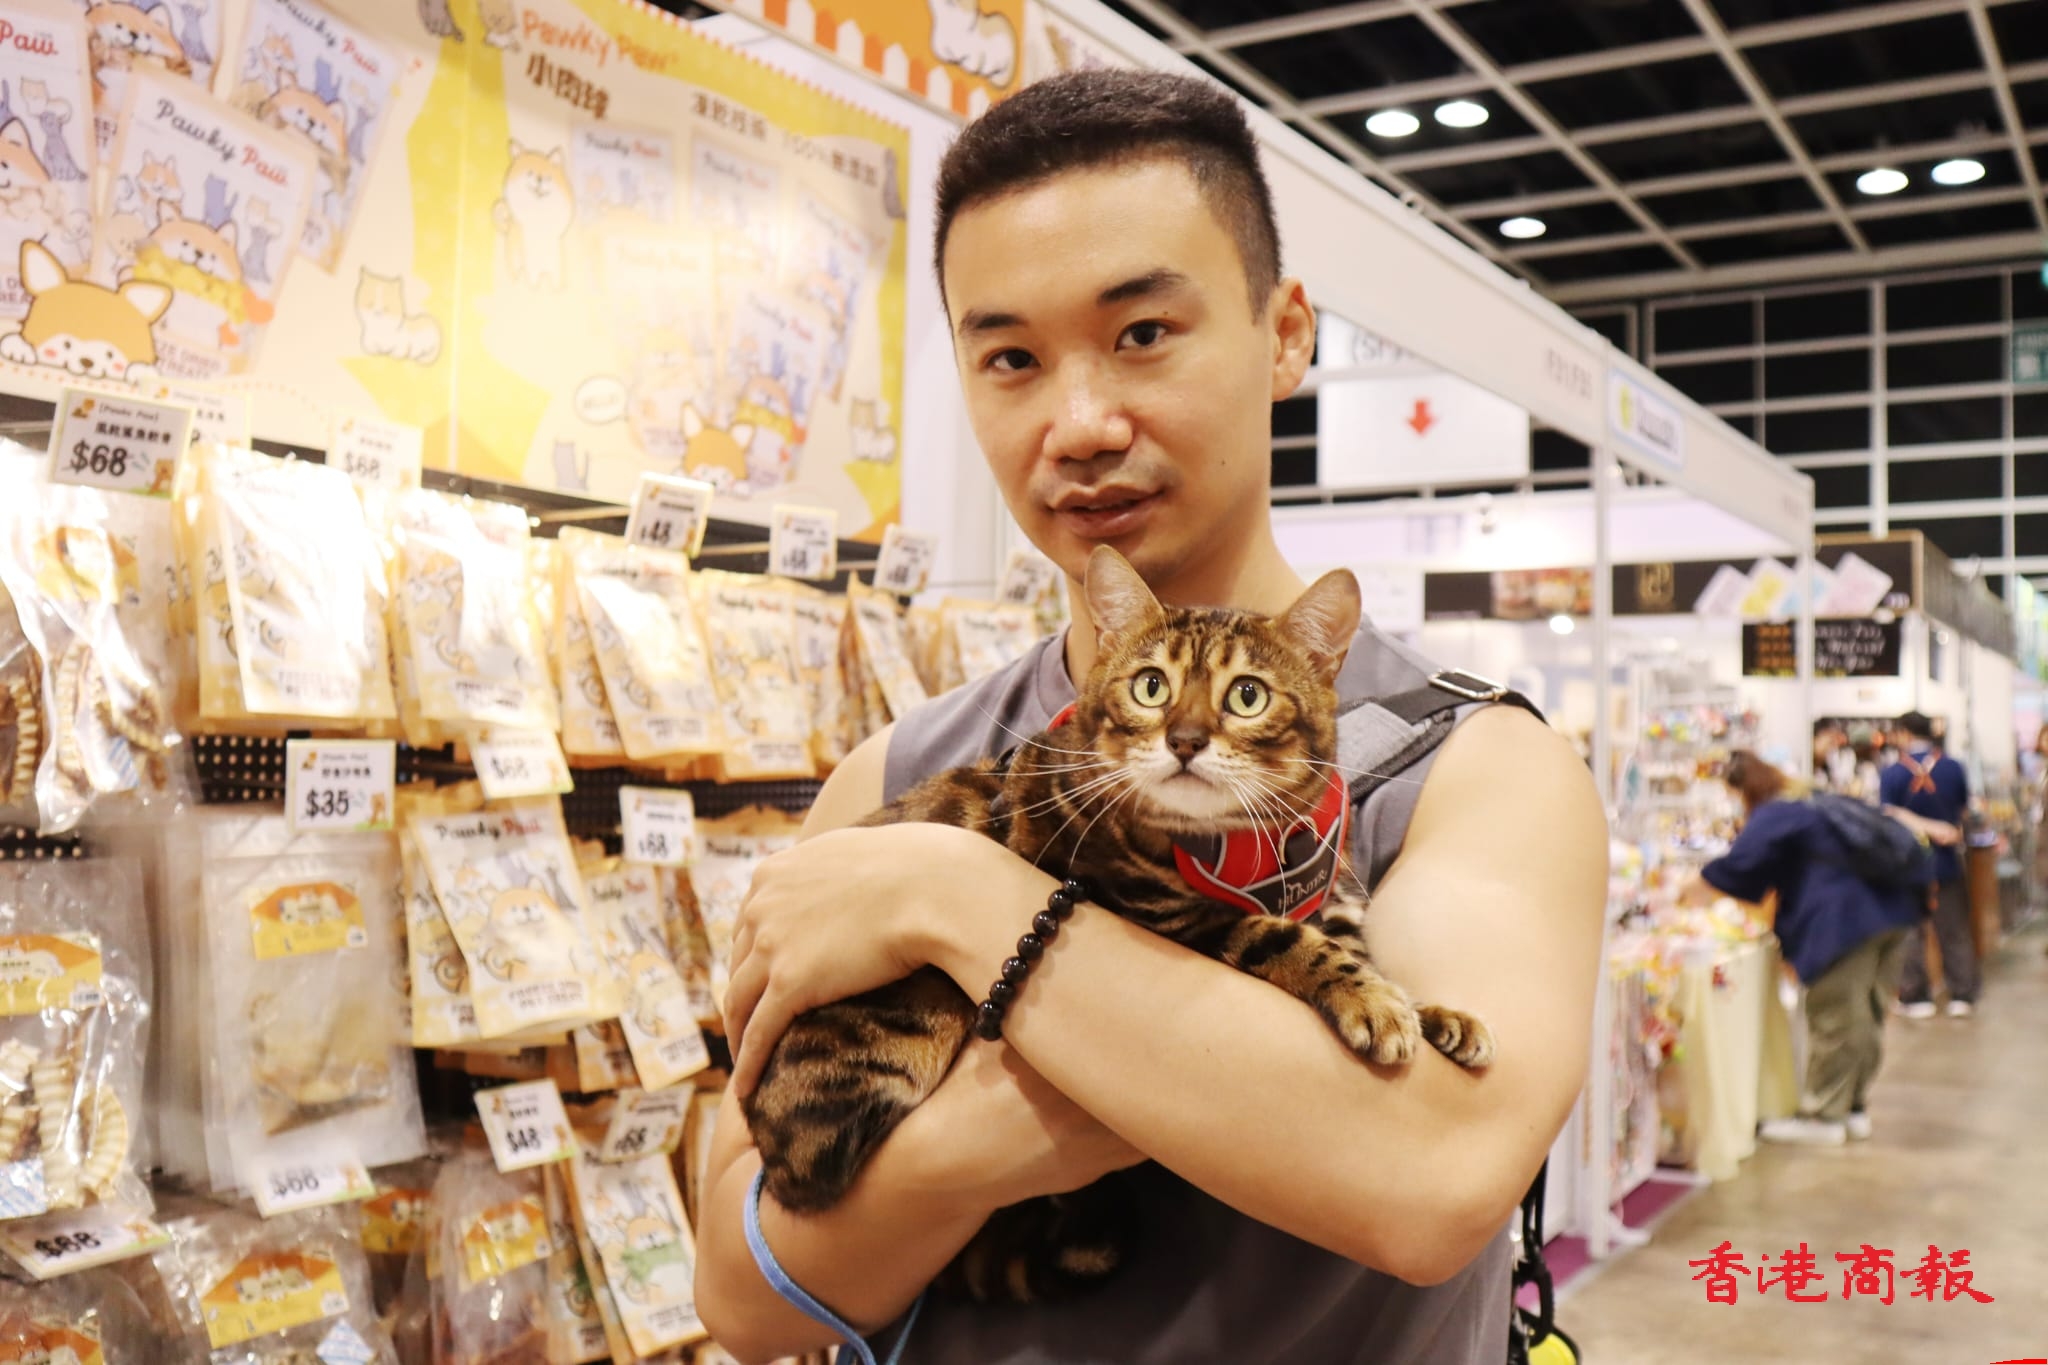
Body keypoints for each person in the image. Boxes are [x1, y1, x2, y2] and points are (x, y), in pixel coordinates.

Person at [692, 70, 1608, 1365]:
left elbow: (1432, 1178)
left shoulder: (1469, 769)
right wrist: (978, 1144)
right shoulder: (895, 770)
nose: (1078, 425)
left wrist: (956, 899)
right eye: (1011, 358)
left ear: (1285, 335)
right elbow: (740, 1296)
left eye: (1141, 334)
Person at [1685, 752, 1925, 1145]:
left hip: (1844, 922)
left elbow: (1738, 866)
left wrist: (1689, 890)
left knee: (1836, 1017)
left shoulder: (1777, 813)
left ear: (1743, 791)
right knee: (1868, 1014)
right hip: (1892, 912)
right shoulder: (1818, 801)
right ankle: (1852, 1107)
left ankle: (1823, 1116)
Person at [1880, 710, 1976, 1018]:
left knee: (1911, 932)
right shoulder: (1953, 768)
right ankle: (1962, 993)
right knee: (1954, 929)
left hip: (1907, 863)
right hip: (1947, 860)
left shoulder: (1892, 773)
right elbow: (1964, 810)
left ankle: (1915, 996)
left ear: (1904, 734)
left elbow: (1887, 817)